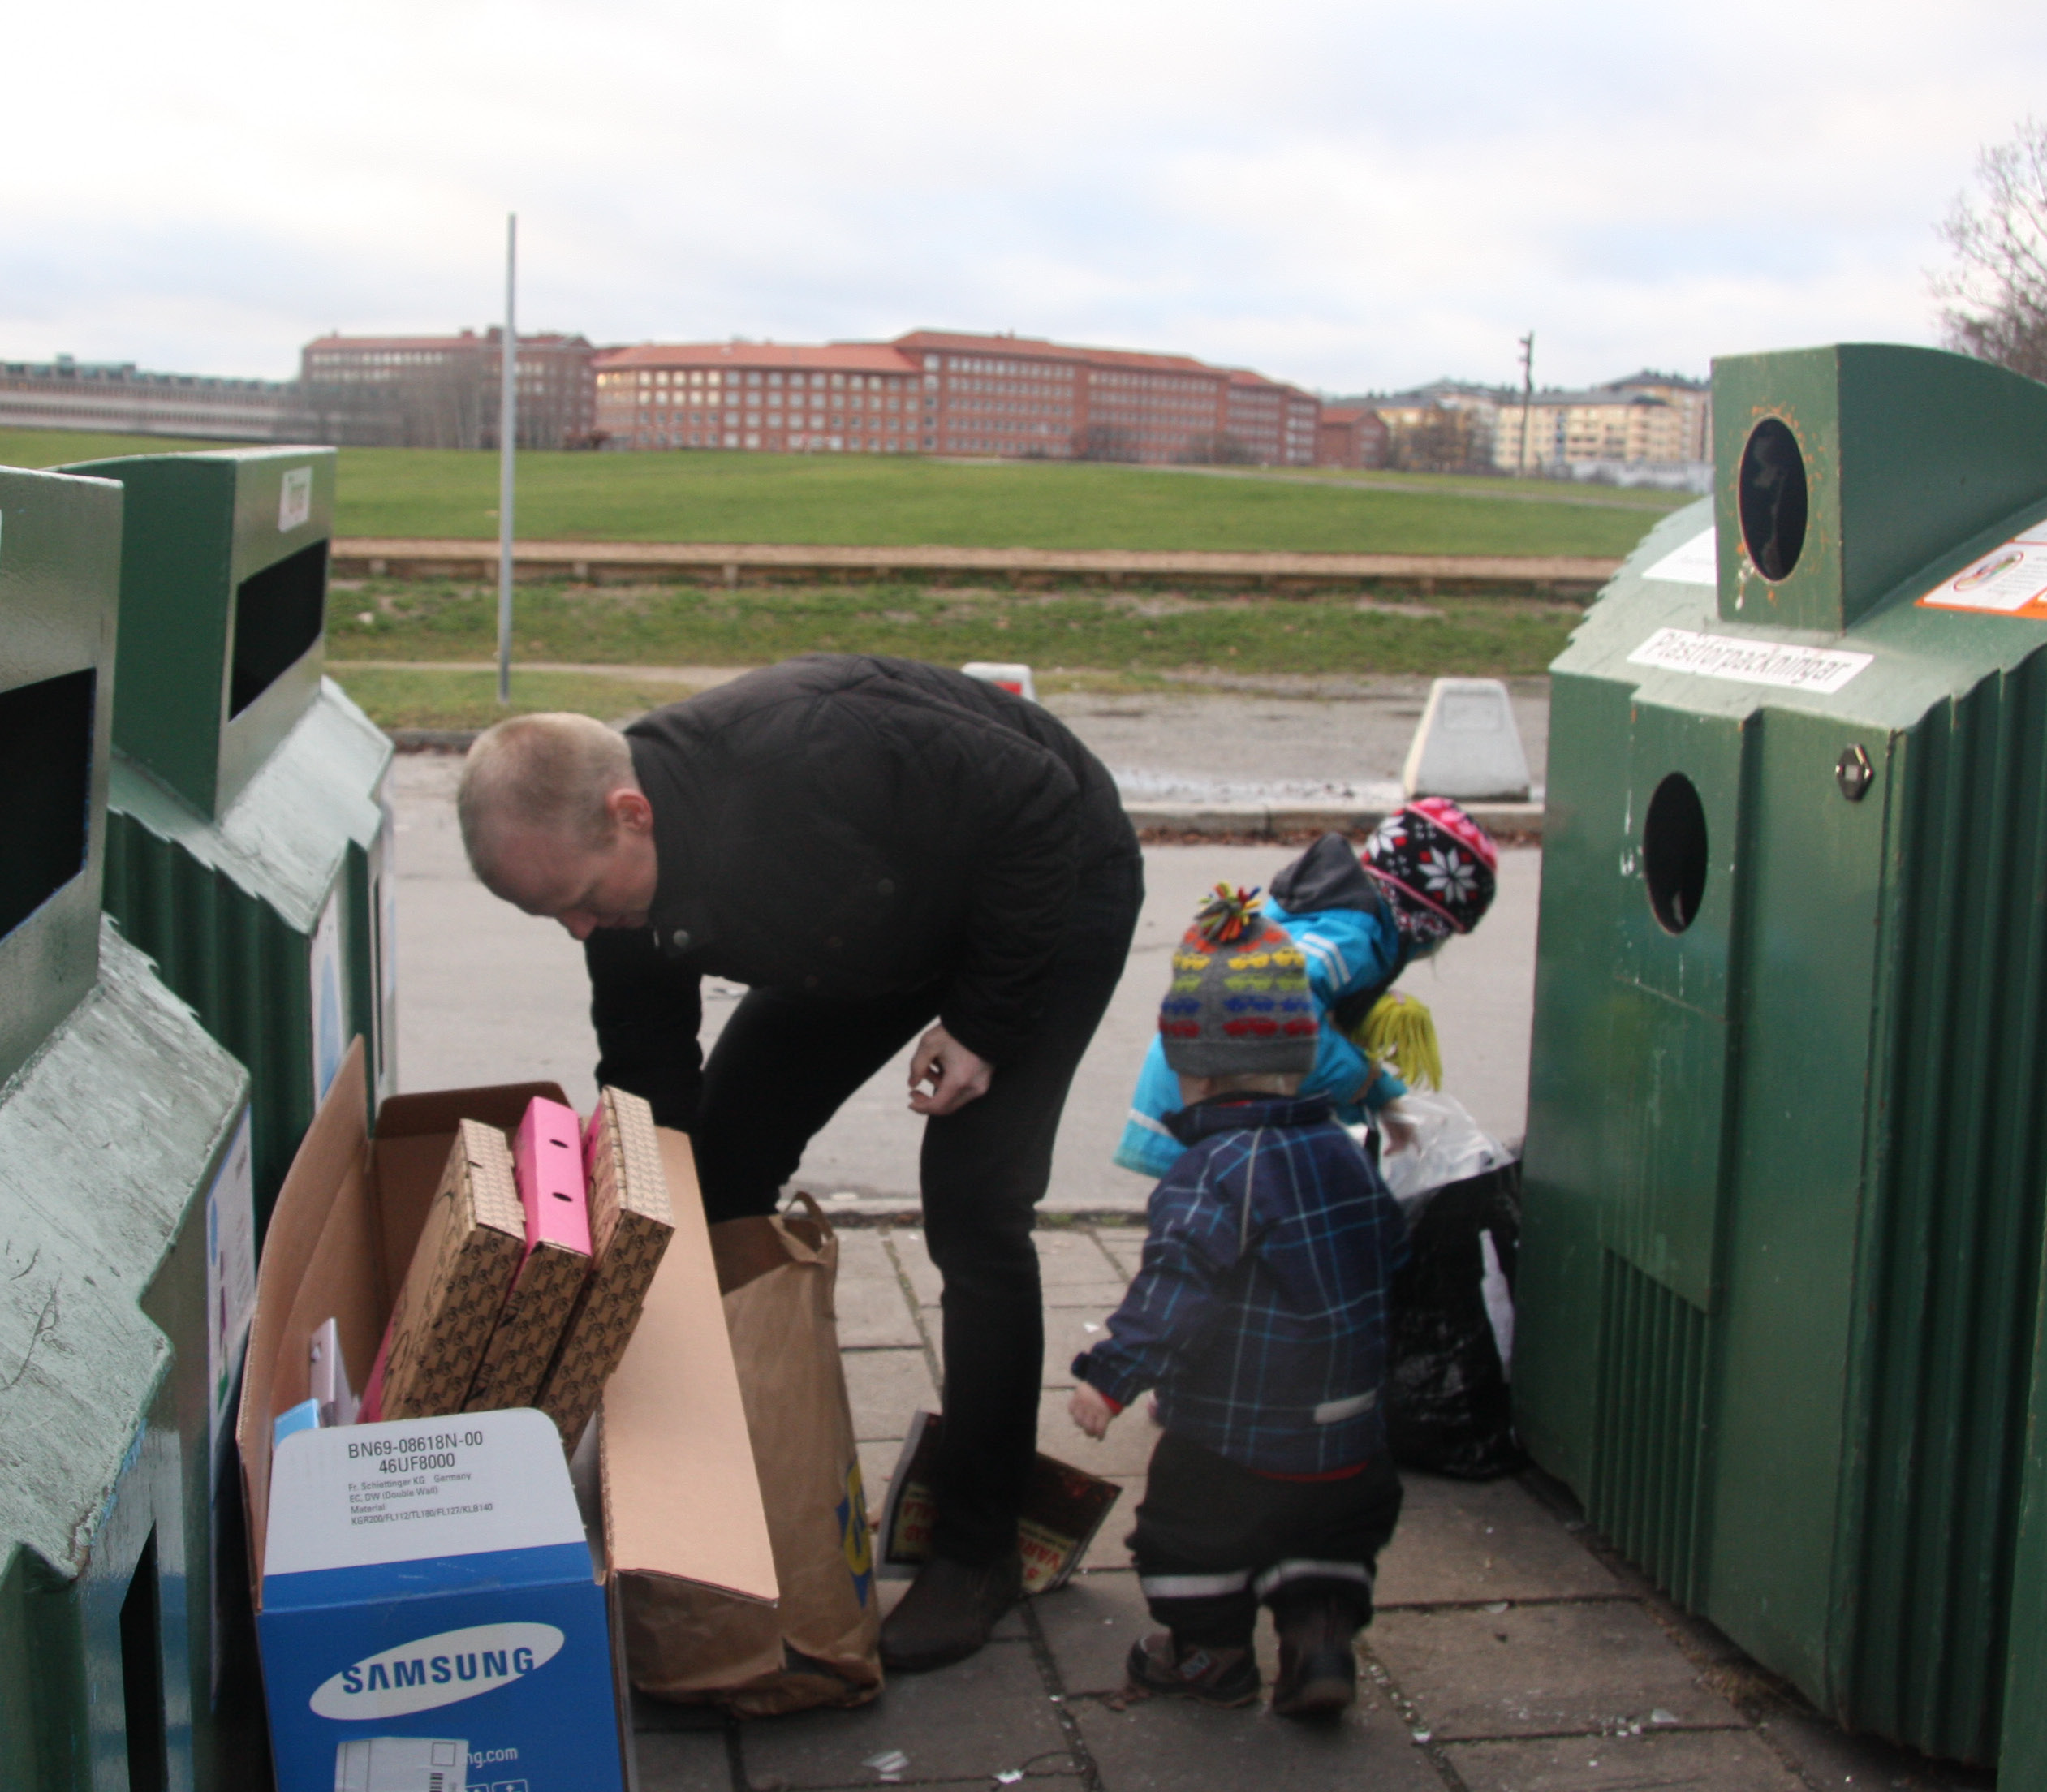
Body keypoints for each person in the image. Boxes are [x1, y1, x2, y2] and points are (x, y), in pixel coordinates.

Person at [456, 654, 1143, 1673]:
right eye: (550, 915)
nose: (578, 928)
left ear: (631, 814)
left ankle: (977, 1549)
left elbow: (1038, 805)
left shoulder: (813, 752)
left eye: (583, 901)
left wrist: (986, 1022)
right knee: (721, 1169)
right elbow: (650, 1074)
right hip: (860, 924)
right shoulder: (610, 890)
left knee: (975, 1208)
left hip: (1043, 887)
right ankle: (711, 1477)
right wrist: (650, 1214)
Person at [1067, 885, 1410, 1718]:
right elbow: (1392, 1251)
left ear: (1189, 1072)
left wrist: (1109, 1377)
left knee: (1186, 1539)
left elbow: (1174, 1289)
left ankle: (1211, 1656)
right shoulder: (1343, 1153)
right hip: (1353, 1432)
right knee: (1325, 1544)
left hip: (1233, 1435)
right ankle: (1318, 1639)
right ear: (1299, 1062)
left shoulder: (1209, 1174)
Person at [1114, 798, 1498, 1180]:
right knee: (1220, 1220)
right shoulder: (1351, 938)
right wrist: (1357, 1075)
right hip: (1207, 1097)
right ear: (1425, 928)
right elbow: (1274, 1007)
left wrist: (1381, 1096)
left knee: (1213, 1214)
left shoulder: (1336, 912)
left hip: (1212, 1090)